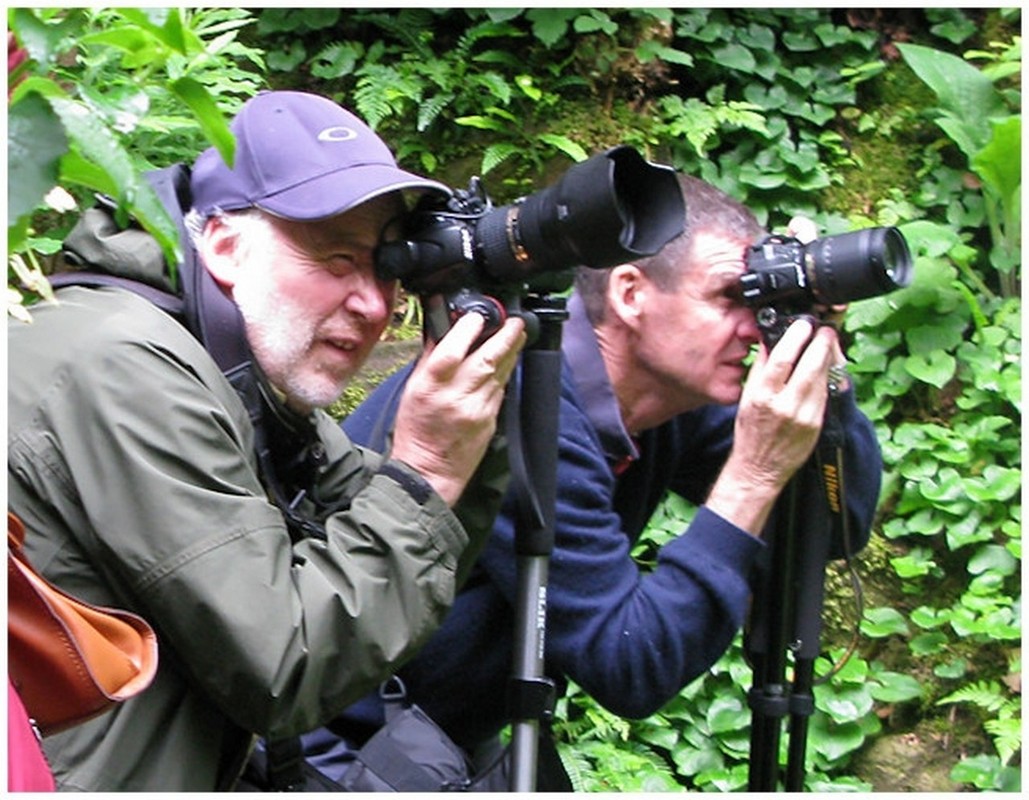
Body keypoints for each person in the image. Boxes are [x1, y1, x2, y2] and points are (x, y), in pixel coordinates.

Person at [6, 90, 526, 791]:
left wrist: (468, 430)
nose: (374, 305)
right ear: (222, 244)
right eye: (337, 258)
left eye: (385, 268)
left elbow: (409, 536)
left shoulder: (230, 375)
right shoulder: (121, 365)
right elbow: (289, 662)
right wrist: (428, 466)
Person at [302, 174, 883, 785]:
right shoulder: (514, 397)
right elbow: (630, 664)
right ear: (631, 294)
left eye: (758, 299)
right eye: (728, 298)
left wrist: (828, 376)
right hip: (331, 747)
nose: (751, 326)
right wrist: (755, 473)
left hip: (434, 740)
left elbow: (829, 529)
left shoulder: (671, 395)